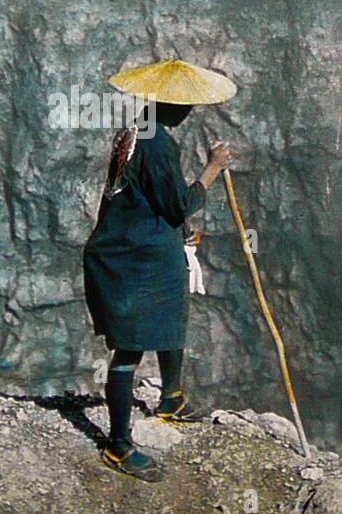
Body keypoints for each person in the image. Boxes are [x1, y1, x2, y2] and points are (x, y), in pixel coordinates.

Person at [83, 59, 237, 481]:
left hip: (137, 249)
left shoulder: (136, 133)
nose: (188, 112)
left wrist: (182, 231)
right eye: (184, 105)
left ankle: (172, 397)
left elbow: (142, 199)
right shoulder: (158, 144)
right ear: (173, 106)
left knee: (172, 314)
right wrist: (212, 169)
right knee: (129, 347)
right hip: (135, 259)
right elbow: (176, 204)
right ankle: (118, 444)